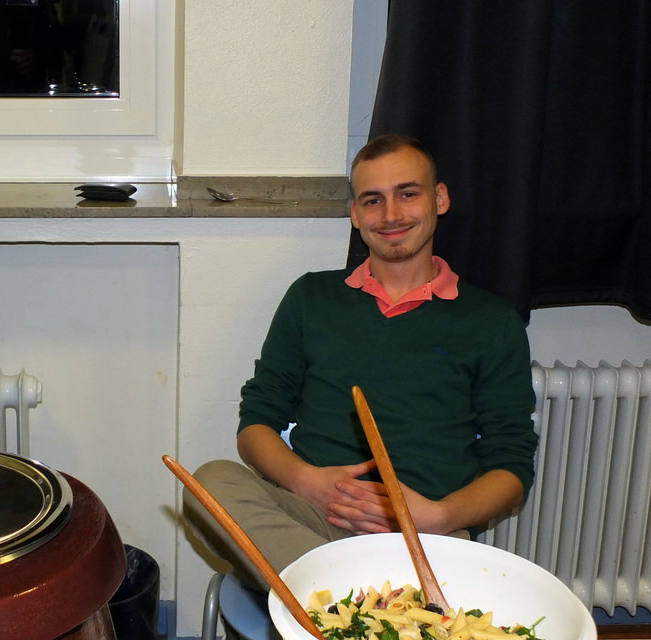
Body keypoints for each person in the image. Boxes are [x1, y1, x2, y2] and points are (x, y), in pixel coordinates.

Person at [185, 134, 538, 596]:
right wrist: (306, 482)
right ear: (355, 213)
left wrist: (439, 515)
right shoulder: (311, 297)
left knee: (441, 566)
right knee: (207, 485)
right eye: (373, 200)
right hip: (312, 519)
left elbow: (511, 466)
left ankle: (329, 603)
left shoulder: (491, 321)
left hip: (424, 537)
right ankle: (360, 606)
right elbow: (255, 424)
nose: (390, 215)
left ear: (439, 199)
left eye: (407, 194)